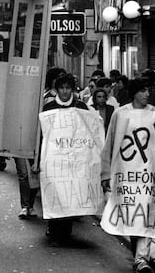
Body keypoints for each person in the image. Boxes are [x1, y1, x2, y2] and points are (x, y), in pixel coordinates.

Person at [101, 77, 155, 273]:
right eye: (142, 90)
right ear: (134, 92)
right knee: (132, 215)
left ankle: (141, 259)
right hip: (125, 173)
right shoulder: (120, 114)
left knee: (148, 214)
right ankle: (139, 254)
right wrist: (105, 173)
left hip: (149, 174)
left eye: (148, 90)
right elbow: (110, 144)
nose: (147, 94)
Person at [42, 73, 88, 246]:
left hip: (74, 159)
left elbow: (89, 132)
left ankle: (65, 232)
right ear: (57, 89)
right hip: (54, 158)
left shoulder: (81, 107)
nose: (64, 91)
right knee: (55, 194)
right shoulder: (49, 108)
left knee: (69, 195)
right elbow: (43, 135)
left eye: (68, 88)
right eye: (61, 88)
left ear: (72, 89)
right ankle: (54, 230)